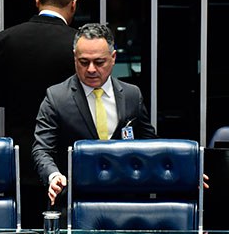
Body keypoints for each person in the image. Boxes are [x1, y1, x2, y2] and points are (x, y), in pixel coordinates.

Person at [32, 23, 157, 206]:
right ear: (75, 58)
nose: (91, 69)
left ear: (113, 58)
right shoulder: (56, 97)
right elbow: (42, 149)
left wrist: (183, 168)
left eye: (99, 62)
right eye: (84, 62)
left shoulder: (132, 95)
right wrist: (53, 175)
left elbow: (151, 146)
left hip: (127, 198)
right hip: (78, 199)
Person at [0, 0, 79, 228]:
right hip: (65, 160)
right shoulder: (77, 44)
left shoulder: (5, 39)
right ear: (74, 3)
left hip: (20, 157)